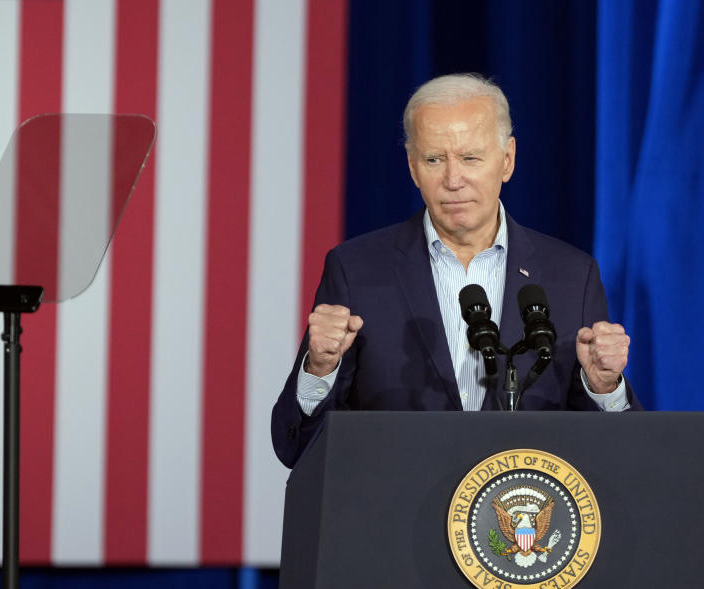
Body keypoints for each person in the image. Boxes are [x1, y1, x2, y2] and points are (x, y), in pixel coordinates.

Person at [272, 73, 639, 468]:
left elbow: (619, 458)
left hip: (521, 523)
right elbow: (295, 448)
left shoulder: (571, 276)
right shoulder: (356, 270)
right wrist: (320, 370)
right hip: (395, 517)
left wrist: (604, 388)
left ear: (507, 160)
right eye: (434, 160)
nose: (453, 179)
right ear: (413, 169)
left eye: (470, 158)